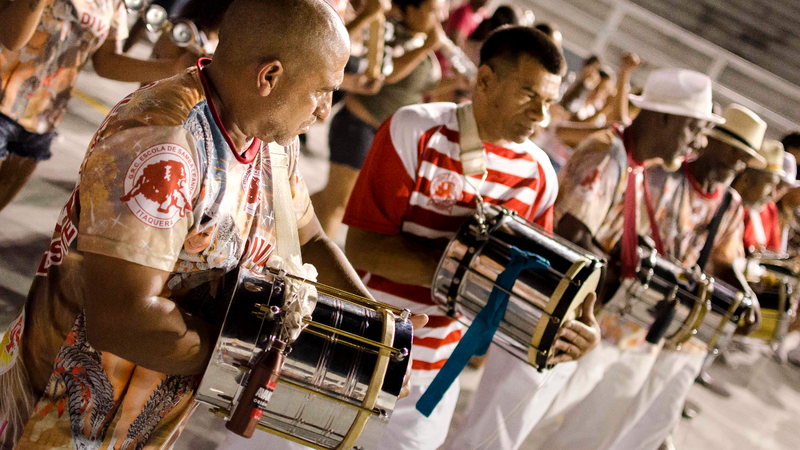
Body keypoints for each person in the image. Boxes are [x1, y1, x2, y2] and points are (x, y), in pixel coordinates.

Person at [0, 1, 424, 449]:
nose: (325, 110)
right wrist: (268, 356)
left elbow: (307, 236)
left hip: (137, 420)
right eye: (322, 90)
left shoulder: (271, 138)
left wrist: (380, 335)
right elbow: (122, 318)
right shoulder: (166, 142)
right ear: (270, 77)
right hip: (52, 417)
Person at [341, 26, 600, 450]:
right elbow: (364, 248)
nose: (542, 115)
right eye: (528, 95)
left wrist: (572, 331)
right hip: (365, 344)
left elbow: (531, 290)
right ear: (484, 81)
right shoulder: (415, 129)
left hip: (438, 374)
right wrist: (481, 274)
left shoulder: (539, 175)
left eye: (549, 102)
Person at [522, 68, 725, 450]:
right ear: (667, 116)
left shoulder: (636, 165)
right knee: (497, 433)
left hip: (572, 320)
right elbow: (571, 241)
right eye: (694, 127)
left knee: (524, 428)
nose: (698, 141)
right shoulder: (607, 152)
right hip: (546, 314)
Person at [601, 104, 768, 450]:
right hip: (624, 314)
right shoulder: (663, 176)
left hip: (668, 326)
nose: (735, 165)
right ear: (710, 142)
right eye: (732, 153)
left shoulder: (731, 205)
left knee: (628, 418)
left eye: (743, 160)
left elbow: (725, 259)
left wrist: (746, 294)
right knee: (592, 411)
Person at [0, 0, 198, 213]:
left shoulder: (113, 3)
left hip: (42, 119)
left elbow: (106, 62)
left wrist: (173, 68)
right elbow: (11, 38)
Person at [310, 0, 446, 239]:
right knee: (340, 203)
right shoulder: (391, 29)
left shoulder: (422, 42)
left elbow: (425, 88)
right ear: (411, 8)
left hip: (380, 135)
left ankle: (286, 219)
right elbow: (387, 71)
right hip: (357, 125)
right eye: (434, 10)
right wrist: (425, 48)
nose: (441, 16)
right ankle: (313, 266)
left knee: (332, 197)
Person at [733, 140, 786, 255]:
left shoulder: (763, 210)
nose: (772, 194)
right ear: (746, 179)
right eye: (770, 184)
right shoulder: (721, 206)